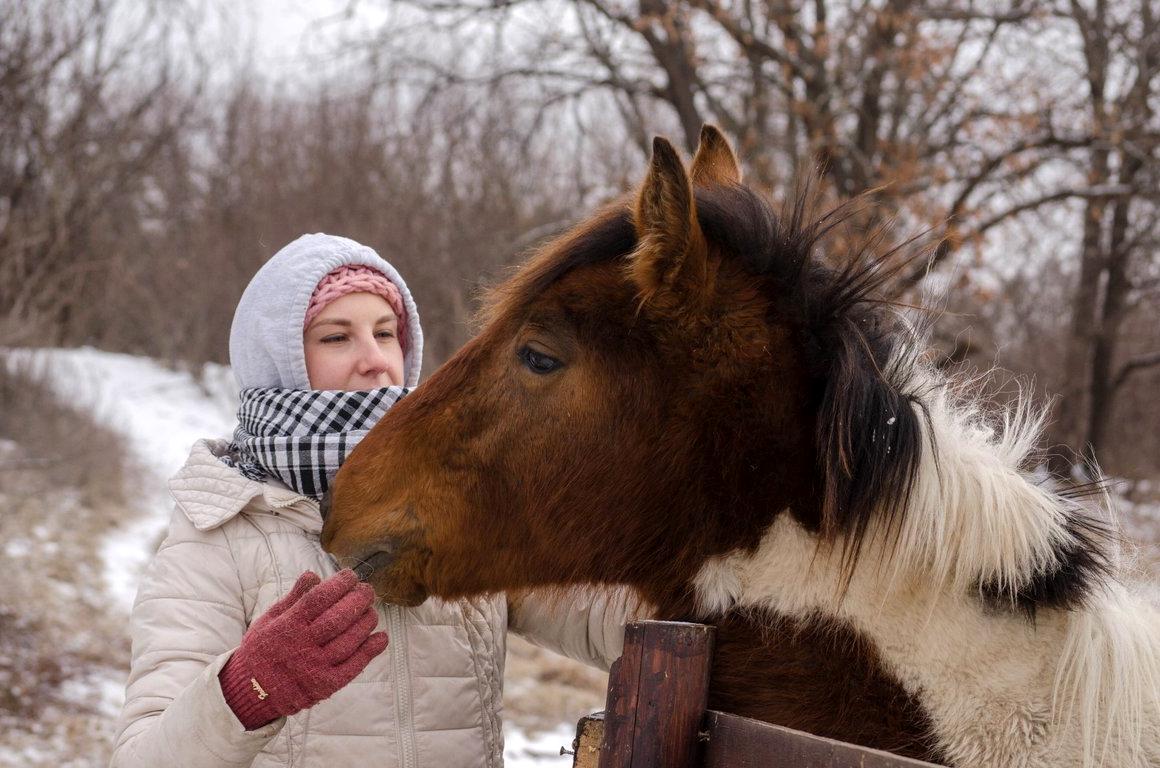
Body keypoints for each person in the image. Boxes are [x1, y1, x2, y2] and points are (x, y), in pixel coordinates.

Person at [110, 233, 637, 768]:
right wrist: (248, 690)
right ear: (278, 360)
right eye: (337, 338)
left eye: (386, 334)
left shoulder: (456, 499)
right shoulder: (221, 531)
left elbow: (614, 624)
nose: (375, 361)